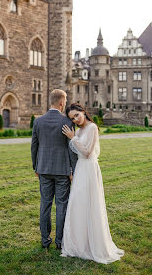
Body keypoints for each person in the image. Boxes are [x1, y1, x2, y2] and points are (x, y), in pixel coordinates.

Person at [61, 103, 124, 264]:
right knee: (78, 204)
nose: (75, 120)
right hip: (81, 169)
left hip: (89, 169)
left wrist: (72, 138)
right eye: (72, 118)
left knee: (90, 204)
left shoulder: (92, 128)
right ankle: (78, 243)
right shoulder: (80, 130)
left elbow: (88, 152)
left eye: (77, 115)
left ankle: (92, 244)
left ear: (83, 111)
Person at [31, 89, 77, 250]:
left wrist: (35, 167)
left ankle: (45, 241)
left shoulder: (38, 121)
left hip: (43, 169)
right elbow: (72, 149)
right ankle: (59, 241)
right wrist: (74, 170)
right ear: (61, 103)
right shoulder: (67, 122)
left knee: (45, 204)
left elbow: (34, 147)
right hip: (62, 170)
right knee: (62, 205)